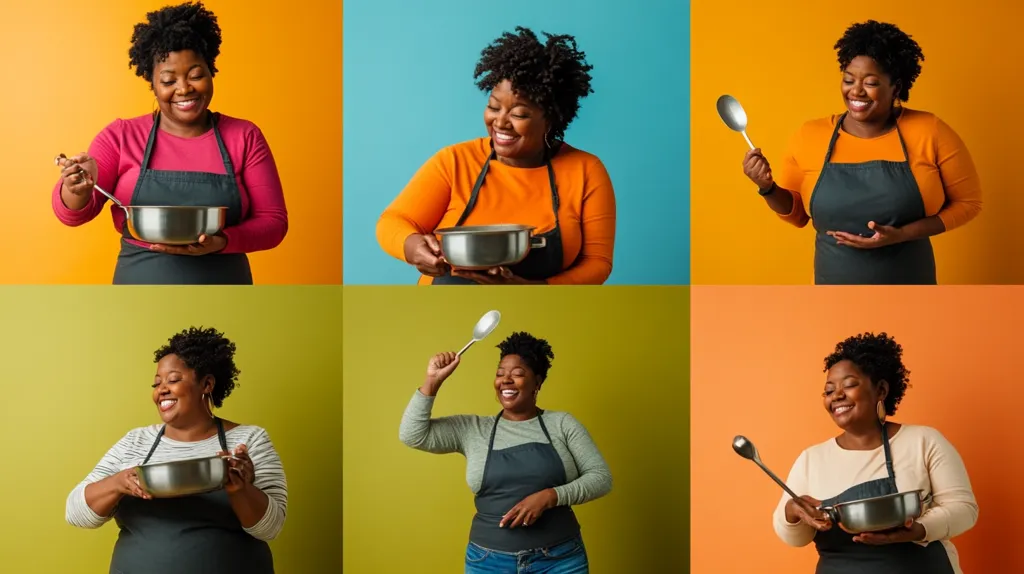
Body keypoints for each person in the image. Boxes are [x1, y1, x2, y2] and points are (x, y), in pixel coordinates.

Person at [52, 2, 288, 285]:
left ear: (211, 72)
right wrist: (74, 187)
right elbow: (74, 215)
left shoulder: (244, 136)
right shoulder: (121, 137)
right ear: (152, 83)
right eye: (168, 80)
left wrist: (224, 240)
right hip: (139, 289)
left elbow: (273, 222)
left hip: (226, 288)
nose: (184, 88)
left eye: (196, 75)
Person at [742, 21, 982, 285]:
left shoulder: (929, 131)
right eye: (848, 80)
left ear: (896, 88)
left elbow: (968, 204)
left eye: (871, 82)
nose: (856, 91)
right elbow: (797, 214)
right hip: (833, 293)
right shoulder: (810, 135)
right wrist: (767, 188)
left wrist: (902, 234)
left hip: (912, 289)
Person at [376, 27, 616, 285]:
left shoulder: (585, 170)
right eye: (493, 107)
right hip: (444, 312)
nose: (500, 122)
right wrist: (412, 247)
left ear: (550, 120)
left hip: (541, 314)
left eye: (519, 114)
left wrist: (534, 291)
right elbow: (393, 221)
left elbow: (597, 262)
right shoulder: (455, 161)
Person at [66, 327, 288, 574]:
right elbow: (76, 513)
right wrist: (118, 482)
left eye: (173, 380)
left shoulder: (248, 440)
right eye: (157, 383)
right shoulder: (135, 442)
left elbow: (271, 527)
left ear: (206, 384)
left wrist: (240, 487)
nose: (162, 389)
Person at [400, 332, 612, 572]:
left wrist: (549, 497)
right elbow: (412, 434)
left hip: (560, 560)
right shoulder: (473, 429)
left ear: (538, 382)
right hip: (488, 561)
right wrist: (433, 381)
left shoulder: (562, 424)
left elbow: (601, 478)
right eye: (500, 373)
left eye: (518, 374)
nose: (506, 380)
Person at [773, 332, 978, 573]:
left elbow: (964, 509)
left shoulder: (923, 441)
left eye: (849, 385)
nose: (837, 395)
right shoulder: (811, 459)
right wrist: (791, 513)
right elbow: (795, 538)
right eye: (829, 391)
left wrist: (919, 529)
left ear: (880, 390)